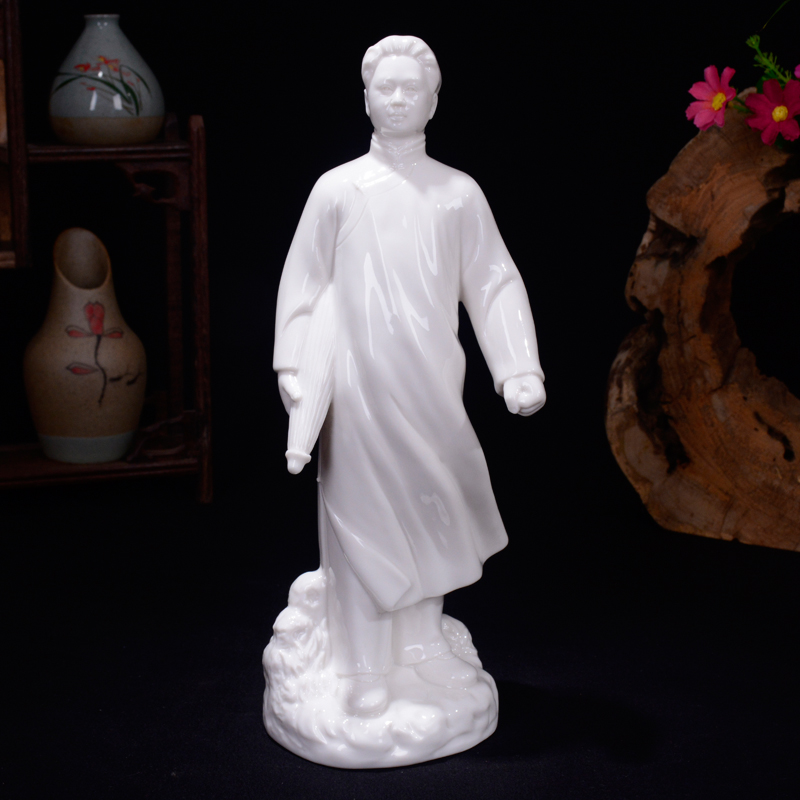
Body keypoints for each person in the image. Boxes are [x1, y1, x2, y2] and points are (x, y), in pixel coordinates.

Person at [273, 35, 545, 716]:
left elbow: (494, 282)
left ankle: (422, 645)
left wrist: (516, 367)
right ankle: (363, 665)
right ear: (366, 98)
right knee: (362, 522)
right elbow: (302, 284)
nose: (397, 100)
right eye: (385, 87)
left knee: (432, 513)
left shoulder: (457, 194)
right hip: (357, 394)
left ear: (433, 101)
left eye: (410, 88)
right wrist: (293, 366)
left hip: (431, 389)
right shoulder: (337, 190)